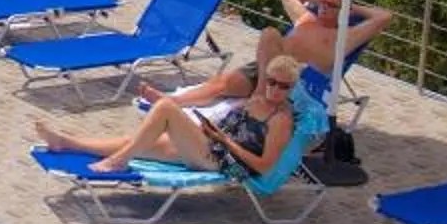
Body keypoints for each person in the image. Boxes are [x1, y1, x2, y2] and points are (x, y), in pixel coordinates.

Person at [43, 53, 314, 178]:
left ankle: (118, 162)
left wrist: (226, 142)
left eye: (284, 86)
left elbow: (265, 167)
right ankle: (67, 142)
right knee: (139, 140)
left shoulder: (281, 120)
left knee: (165, 109)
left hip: (223, 162)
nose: (275, 90)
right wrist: (211, 129)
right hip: (212, 145)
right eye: (271, 82)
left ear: (291, 88)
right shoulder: (254, 99)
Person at [147, 0, 392, 108]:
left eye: (333, 6)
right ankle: (172, 102)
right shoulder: (306, 18)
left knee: (270, 34)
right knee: (221, 83)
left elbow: (384, 16)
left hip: (297, 82)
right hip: (267, 70)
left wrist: (348, 4)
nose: (326, 7)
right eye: (324, 3)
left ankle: (258, 95)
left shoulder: (347, 36)